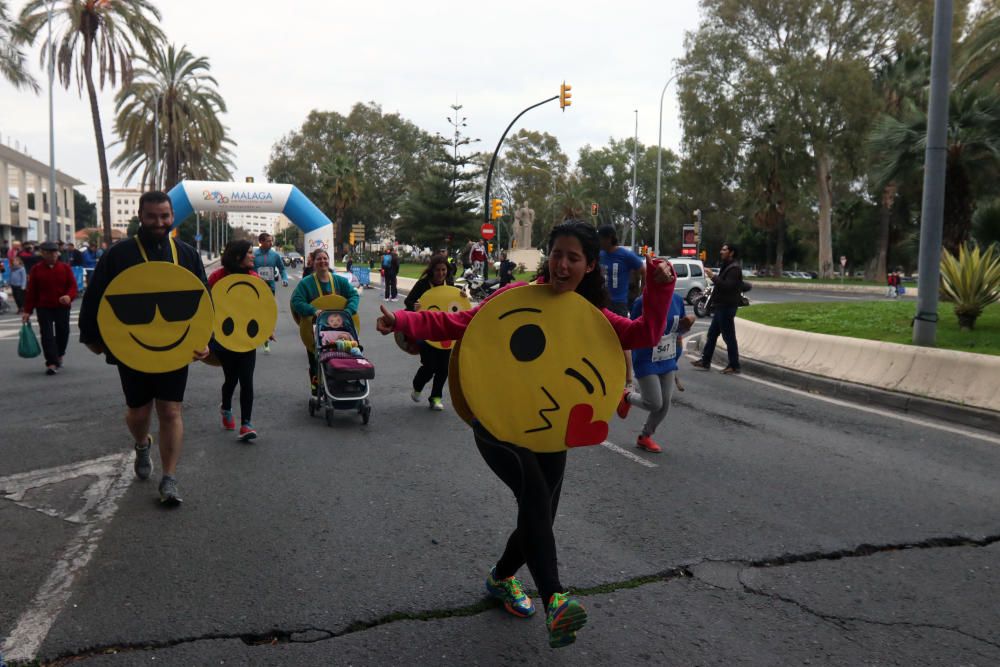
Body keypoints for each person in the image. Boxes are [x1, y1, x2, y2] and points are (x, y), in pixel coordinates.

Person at [376, 220, 676, 648]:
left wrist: (660, 289)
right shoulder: (513, 298)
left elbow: (644, 333)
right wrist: (405, 320)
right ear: (546, 258)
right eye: (557, 254)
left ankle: (500, 578)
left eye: (574, 257)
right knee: (535, 497)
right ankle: (556, 599)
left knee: (540, 515)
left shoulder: (592, 319)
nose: (562, 264)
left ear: (590, 265)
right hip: (496, 421)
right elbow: (461, 323)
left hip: (551, 429)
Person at [79, 190, 209, 506]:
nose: (158, 222)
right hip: (131, 348)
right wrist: (92, 337)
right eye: (152, 216)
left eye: (164, 216)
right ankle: (141, 443)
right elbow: (96, 296)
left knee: (170, 410)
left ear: (172, 217)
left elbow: (204, 299)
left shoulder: (187, 254)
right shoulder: (119, 254)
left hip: (175, 348)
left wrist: (207, 339)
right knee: (138, 412)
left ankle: (169, 478)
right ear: (140, 216)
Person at [616, 289, 694, 452]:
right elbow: (632, 330)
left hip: (667, 358)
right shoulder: (641, 302)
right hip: (645, 358)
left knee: (665, 404)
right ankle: (627, 396)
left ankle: (645, 437)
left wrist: (687, 324)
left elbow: (678, 330)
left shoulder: (677, 300)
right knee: (654, 403)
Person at [210, 240, 267, 441]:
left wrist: (266, 329)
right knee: (231, 378)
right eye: (250, 253)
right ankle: (226, 407)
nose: (253, 256)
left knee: (247, 380)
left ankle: (246, 424)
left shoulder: (254, 277)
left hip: (247, 339)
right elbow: (206, 304)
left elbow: (262, 307)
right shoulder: (218, 276)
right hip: (224, 338)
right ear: (237, 257)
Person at [291, 248, 359, 389]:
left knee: (342, 357)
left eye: (325, 258)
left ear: (329, 261)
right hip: (315, 330)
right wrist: (313, 310)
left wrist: (348, 311)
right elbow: (296, 301)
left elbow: (354, 295)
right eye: (319, 259)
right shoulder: (306, 283)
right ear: (313, 263)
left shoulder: (340, 281)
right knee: (315, 362)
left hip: (340, 329)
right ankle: (316, 389)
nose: (323, 261)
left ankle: (339, 385)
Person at [403, 255, 455, 411]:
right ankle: (417, 386)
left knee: (444, 368)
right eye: (438, 270)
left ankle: (436, 397)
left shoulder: (450, 284)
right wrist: (415, 305)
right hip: (425, 330)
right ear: (432, 271)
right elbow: (408, 301)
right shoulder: (423, 284)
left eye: (443, 270)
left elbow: (457, 305)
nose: (441, 273)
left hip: (445, 332)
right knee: (430, 366)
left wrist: (463, 297)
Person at [22, 241, 78, 375]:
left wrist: (69, 296)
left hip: (62, 307)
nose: (52, 255)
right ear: (43, 254)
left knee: (63, 332)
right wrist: (27, 311)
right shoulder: (36, 269)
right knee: (47, 335)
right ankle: (52, 362)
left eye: (54, 252)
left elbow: (73, 286)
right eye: (49, 253)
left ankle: (60, 354)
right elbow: (32, 292)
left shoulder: (65, 268)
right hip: (44, 307)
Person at [691, 242, 743, 374]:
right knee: (712, 334)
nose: (721, 251)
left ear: (731, 253)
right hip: (721, 306)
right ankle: (705, 361)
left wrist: (713, 277)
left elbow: (727, 286)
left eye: (724, 250)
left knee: (729, 337)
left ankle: (734, 365)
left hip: (727, 307)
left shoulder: (734, 269)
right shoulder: (727, 266)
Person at [253, 233, 288, 353]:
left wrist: (285, 279)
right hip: (255, 288)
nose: (271, 243)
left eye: (271, 241)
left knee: (269, 313)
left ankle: (267, 338)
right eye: (268, 241)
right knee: (257, 314)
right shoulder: (253, 255)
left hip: (269, 288)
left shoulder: (275, 255)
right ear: (261, 242)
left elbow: (282, 269)